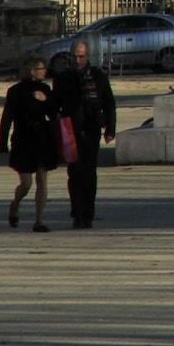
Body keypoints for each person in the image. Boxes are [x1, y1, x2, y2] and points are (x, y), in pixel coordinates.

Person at [50, 40, 116, 229]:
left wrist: (110, 129)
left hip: (92, 128)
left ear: (87, 56)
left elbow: (109, 104)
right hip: (71, 129)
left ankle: (88, 212)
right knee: (74, 173)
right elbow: (54, 105)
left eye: (81, 56)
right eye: (75, 57)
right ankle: (77, 212)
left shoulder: (98, 76)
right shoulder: (63, 78)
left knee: (89, 173)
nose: (78, 60)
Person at [0, 55, 58, 233]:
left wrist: (45, 100)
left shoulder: (45, 89)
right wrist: (2, 143)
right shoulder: (15, 91)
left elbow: (54, 113)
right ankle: (15, 204)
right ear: (32, 71)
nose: (44, 71)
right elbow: (7, 118)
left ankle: (39, 221)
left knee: (42, 180)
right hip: (23, 139)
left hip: (42, 138)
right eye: (41, 69)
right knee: (26, 183)